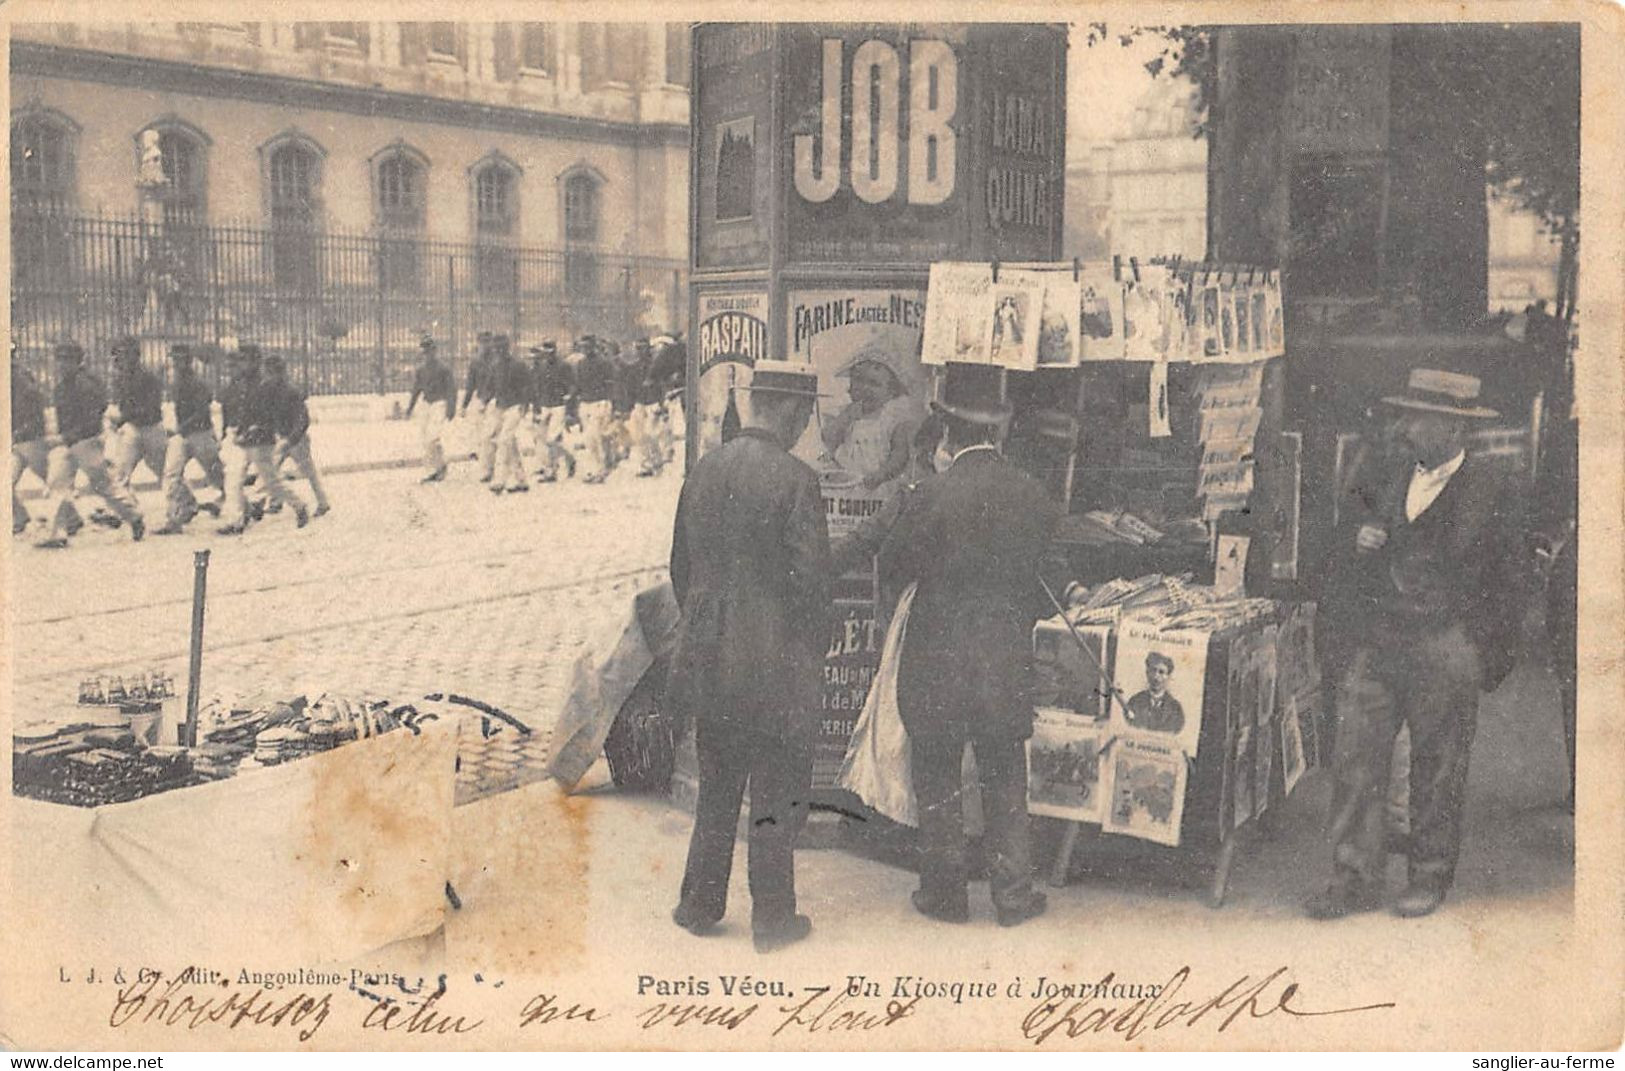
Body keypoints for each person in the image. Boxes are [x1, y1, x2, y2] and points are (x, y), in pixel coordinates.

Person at [1306, 367, 1522, 920]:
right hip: (1380, 638)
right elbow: (1344, 525)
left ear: (1453, 428)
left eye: (1416, 418)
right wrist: (1357, 537)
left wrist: (1479, 655)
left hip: (1445, 645)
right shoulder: (1386, 469)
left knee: (1439, 766)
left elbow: (1512, 582)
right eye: (1403, 415)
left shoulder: (1493, 488)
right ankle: (1353, 876)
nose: (1403, 427)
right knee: (1356, 753)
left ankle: (1427, 876)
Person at [880, 364, 1060, 926]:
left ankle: (944, 894)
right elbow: (1046, 582)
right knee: (1005, 772)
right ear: (998, 435)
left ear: (948, 437)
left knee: (936, 774)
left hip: (936, 659)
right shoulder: (1032, 494)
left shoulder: (928, 495)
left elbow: (896, 566)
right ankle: (1013, 896)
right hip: (1003, 658)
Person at [665, 360, 833, 953]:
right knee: (775, 788)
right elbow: (812, 583)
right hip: (774, 660)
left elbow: (680, 569)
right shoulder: (797, 481)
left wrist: (710, 623)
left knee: (717, 783)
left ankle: (698, 904)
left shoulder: (704, 471)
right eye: (803, 417)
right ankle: (773, 919)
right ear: (791, 411)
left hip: (710, 657)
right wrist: (809, 645)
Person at [36, 340, 145, 547]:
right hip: (69, 443)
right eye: (59, 360)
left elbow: (91, 421)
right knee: (57, 484)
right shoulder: (63, 386)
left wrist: (64, 438)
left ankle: (134, 516)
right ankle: (58, 533)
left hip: (87, 442)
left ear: (78, 362)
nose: (61, 365)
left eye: (67, 360)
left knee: (103, 486)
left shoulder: (86, 385)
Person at [217, 344, 308, 534]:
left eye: (245, 360)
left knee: (272, 482)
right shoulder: (243, 383)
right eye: (240, 360)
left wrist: (257, 428)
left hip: (262, 440)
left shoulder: (266, 385)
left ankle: (299, 505)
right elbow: (242, 410)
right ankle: (236, 520)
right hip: (244, 439)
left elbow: (272, 414)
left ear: (255, 362)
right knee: (233, 480)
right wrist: (237, 431)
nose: (241, 364)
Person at [819, 353, 919, 496]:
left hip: (877, 483)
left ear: (891, 392)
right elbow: (828, 438)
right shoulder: (846, 413)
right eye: (859, 381)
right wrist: (846, 417)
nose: (866, 388)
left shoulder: (892, 419)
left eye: (874, 384)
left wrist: (882, 474)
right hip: (845, 480)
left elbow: (900, 455)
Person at [152, 343, 224, 535]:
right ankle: (174, 519)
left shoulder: (197, 383)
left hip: (201, 434)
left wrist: (180, 428)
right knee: (171, 475)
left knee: (217, 476)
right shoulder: (176, 382)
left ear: (188, 361)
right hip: (183, 436)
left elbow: (201, 411)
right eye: (174, 359)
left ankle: (245, 507)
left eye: (180, 359)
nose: (176, 363)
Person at [264, 354, 331, 517]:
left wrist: (292, 439)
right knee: (272, 470)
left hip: (296, 440)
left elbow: (303, 419)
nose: (268, 376)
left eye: (270, 372)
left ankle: (323, 503)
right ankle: (276, 501)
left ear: (278, 373)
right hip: (281, 437)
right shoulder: (270, 391)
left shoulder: (292, 392)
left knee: (309, 472)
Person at [107, 336, 169, 507]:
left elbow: (151, 410)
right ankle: (128, 508)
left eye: (125, 356)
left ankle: (185, 504)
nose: (120, 361)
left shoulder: (149, 378)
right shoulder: (120, 379)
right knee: (121, 471)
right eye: (118, 357)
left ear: (135, 356)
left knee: (165, 472)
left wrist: (123, 418)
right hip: (132, 430)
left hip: (152, 430)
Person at [11, 344, 51, 536]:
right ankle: (18, 518)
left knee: (53, 480)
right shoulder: (18, 376)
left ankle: (71, 518)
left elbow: (33, 406)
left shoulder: (18, 378)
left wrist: (25, 428)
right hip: (18, 439)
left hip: (29, 439)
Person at [406, 334, 456, 483]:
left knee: (432, 437)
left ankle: (437, 468)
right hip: (426, 405)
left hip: (439, 404)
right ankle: (436, 468)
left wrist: (451, 408)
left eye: (430, 351)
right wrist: (410, 407)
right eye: (425, 352)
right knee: (425, 438)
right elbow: (416, 389)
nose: (428, 354)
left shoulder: (444, 369)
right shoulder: (421, 370)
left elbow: (451, 389)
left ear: (435, 351)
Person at [487, 335, 531, 495]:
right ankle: (521, 479)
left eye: (501, 348)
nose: (498, 351)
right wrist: (485, 402)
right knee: (508, 442)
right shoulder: (495, 366)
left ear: (507, 348)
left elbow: (527, 386)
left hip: (515, 406)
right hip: (500, 407)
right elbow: (491, 386)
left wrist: (525, 405)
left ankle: (500, 479)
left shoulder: (518, 365)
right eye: (496, 348)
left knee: (504, 440)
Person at [528, 341, 574, 482]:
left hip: (559, 405)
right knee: (541, 438)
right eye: (545, 352)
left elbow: (572, 385)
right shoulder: (541, 368)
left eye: (550, 352)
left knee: (552, 439)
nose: (548, 355)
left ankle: (554, 469)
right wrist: (536, 407)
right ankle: (562, 461)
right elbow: (537, 388)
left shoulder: (564, 366)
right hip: (544, 405)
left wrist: (568, 403)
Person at [573, 338, 617, 484]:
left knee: (594, 436)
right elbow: (578, 385)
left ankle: (599, 469)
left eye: (588, 346)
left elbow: (612, 384)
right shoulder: (580, 364)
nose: (585, 349)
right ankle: (599, 466)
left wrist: (611, 404)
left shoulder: (604, 363)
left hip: (600, 402)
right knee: (589, 438)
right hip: (585, 403)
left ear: (594, 347)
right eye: (583, 347)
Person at [460, 332, 500, 483]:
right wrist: (464, 405)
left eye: (488, 342)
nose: (485, 346)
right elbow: (470, 385)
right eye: (482, 342)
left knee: (490, 436)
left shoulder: (497, 360)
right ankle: (488, 468)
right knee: (483, 437)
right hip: (481, 402)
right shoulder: (475, 362)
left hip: (495, 402)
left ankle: (492, 467)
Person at [1123, 653, 1186, 734]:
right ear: (1147, 673)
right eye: (1153, 670)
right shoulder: (1134, 702)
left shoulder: (1176, 709)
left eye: (1161, 672)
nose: (1156, 676)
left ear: (1168, 677)